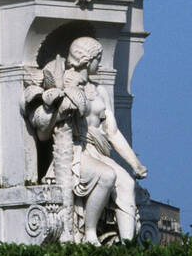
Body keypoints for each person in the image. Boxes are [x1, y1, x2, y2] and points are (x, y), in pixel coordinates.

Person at [26, 36, 147, 244]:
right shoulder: (62, 82)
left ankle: (127, 247)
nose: (99, 64)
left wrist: (135, 164)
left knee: (127, 183)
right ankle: (90, 233)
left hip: (98, 152)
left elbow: (113, 132)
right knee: (107, 176)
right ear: (87, 59)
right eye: (97, 59)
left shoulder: (99, 90)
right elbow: (43, 133)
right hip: (74, 151)